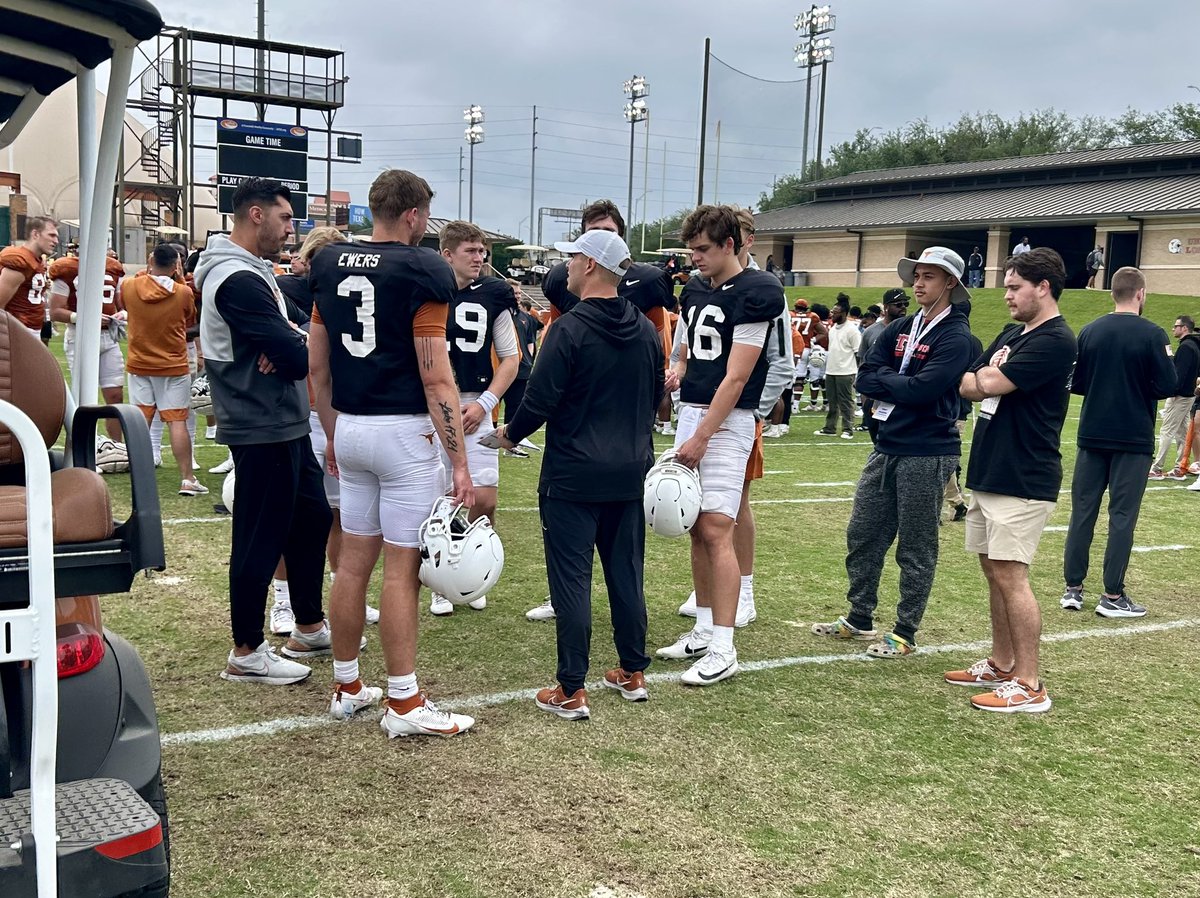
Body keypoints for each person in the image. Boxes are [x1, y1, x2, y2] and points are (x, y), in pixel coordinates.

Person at [308, 169, 475, 737]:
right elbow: (436, 379)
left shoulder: (329, 261)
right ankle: (403, 701)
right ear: (413, 215)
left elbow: (317, 366)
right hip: (403, 434)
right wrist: (459, 461)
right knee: (401, 570)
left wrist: (333, 432)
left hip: (350, 426)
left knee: (353, 563)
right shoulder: (422, 269)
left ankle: (347, 684)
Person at [493, 229, 662, 719]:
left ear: (590, 265)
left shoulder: (568, 328)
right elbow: (655, 399)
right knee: (626, 573)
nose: (566, 266)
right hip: (630, 470)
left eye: (572, 258)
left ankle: (571, 687)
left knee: (571, 579)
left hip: (573, 473)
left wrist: (508, 435)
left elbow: (539, 401)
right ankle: (633, 670)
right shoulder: (646, 330)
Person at [195, 177, 332, 687]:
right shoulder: (234, 276)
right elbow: (299, 356)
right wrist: (292, 348)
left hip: (285, 418)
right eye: (284, 218)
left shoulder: (254, 271)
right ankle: (247, 649)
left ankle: (309, 624)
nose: (290, 228)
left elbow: (301, 331)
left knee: (312, 517)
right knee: (260, 534)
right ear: (256, 215)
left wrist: (293, 345)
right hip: (259, 421)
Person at [812, 247, 974, 658]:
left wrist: (889, 383)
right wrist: (892, 383)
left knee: (916, 545)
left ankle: (905, 631)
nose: (918, 283)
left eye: (929, 277)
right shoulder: (901, 325)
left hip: (928, 449)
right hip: (886, 445)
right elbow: (866, 375)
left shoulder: (957, 336)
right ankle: (859, 616)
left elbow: (924, 390)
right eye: (916, 276)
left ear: (950, 283)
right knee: (863, 532)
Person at [656, 204, 783, 686]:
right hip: (694, 410)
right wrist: (680, 373)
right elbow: (692, 347)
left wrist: (702, 435)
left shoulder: (758, 291)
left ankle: (725, 646)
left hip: (729, 420)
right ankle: (705, 626)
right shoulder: (695, 288)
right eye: (691, 250)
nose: (696, 259)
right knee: (693, 526)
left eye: (704, 249)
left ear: (731, 244)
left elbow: (738, 375)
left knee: (715, 528)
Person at [947, 248, 1076, 713]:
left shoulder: (1057, 339)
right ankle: (1003, 664)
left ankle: (1029, 682)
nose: (1006, 295)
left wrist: (985, 377)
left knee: (1011, 574)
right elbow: (966, 381)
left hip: (1024, 474)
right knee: (992, 570)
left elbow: (988, 383)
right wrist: (983, 377)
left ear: (1043, 287)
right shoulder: (1011, 333)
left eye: (1015, 287)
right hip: (990, 467)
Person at [1061, 267, 1176, 619]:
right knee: (1122, 516)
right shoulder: (1153, 333)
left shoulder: (1091, 330)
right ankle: (1112, 594)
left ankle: (1073, 588)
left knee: (1083, 511)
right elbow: (1169, 384)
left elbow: (1076, 382)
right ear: (1140, 294)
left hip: (1093, 432)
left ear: (1113, 293)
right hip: (1132, 436)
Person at [428, 220, 520, 616]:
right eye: (471, 251)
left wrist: (485, 403)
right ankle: (438, 577)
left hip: (476, 403)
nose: (480, 257)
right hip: (431, 404)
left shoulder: (495, 295)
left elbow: (512, 358)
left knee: (484, 498)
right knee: (439, 499)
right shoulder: (427, 288)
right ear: (447, 254)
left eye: (482, 251)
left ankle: (476, 569)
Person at [123, 243, 202, 496]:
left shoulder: (129, 286)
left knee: (140, 421)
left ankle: (138, 474)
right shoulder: (183, 292)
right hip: (172, 363)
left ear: (150, 260)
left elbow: (124, 304)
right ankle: (187, 479)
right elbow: (189, 315)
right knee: (177, 421)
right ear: (176, 264)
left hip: (139, 362)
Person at [49, 247, 128, 442]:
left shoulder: (113, 268)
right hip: (80, 337)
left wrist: (123, 314)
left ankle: (117, 447)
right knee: (84, 397)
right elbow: (55, 311)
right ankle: (84, 446)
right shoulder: (67, 269)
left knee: (115, 395)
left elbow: (122, 305)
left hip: (108, 337)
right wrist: (84, 317)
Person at [1148, 315, 1200, 481]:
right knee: (1182, 431)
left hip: (1181, 396)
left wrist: (1171, 391)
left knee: (1167, 430)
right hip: (1189, 395)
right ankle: (1179, 467)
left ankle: (1157, 468)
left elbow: (1179, 375)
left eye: (1176, 326)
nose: (1173, 329)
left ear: (1184, 328)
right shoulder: (1194, 346)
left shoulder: (1186, 347)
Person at [858, 288, 908, 441]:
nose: (903, 308)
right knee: (878, 440)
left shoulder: (912, 329)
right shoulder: (871, 332)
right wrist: (865, 399)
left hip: (902, 394)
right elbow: (863, 364)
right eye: (898, 304)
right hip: (876, 393)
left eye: (905, 304)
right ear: (886, 307)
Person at [0, 216, 56, 337]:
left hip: (31, 328)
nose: (56, 241)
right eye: (51, 235)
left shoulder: (37, 260)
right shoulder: (20, 259)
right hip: (17, 330)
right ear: (35, 234)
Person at [814, 297, 860, 439]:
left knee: (846, 401)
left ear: (844, 313)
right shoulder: (833, 329)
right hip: (831, 370)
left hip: (846, 371)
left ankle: (848, 429)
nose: (832, 315)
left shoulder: (852, 330)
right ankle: (830, 428)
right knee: (832, 402)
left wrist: (858, 372)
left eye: (836, 312)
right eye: (832, 312)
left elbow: (858, 352)